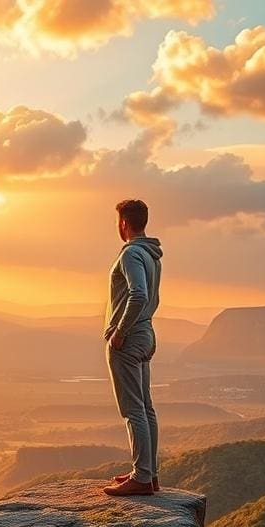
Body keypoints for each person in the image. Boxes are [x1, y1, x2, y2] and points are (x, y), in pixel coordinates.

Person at [102, 199, 162, 496]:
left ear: (123, 223)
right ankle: (149, 474)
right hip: (147, 333)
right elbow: (153, 298)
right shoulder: (152, 255)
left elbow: (138, 294)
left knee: (132, 409)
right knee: (146, 408)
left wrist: (119, 332)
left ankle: (141, 477)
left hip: (130, 337)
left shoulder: (131, 255)